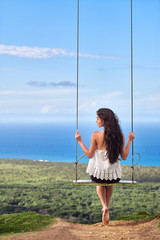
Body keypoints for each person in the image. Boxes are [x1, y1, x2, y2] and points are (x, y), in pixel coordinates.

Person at [75, 108, 135, 225]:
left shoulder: (96, 135)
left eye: (97, 119)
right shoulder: (120, 136)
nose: (96, 121)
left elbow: (89, 154)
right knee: (109, 184)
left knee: (100, 184)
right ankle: (106, 207)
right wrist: (130, 140)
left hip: (98, 176)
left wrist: (80, 141)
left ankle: (104, 206)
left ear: (104, 121)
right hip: (114, 177)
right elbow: (124, 156)